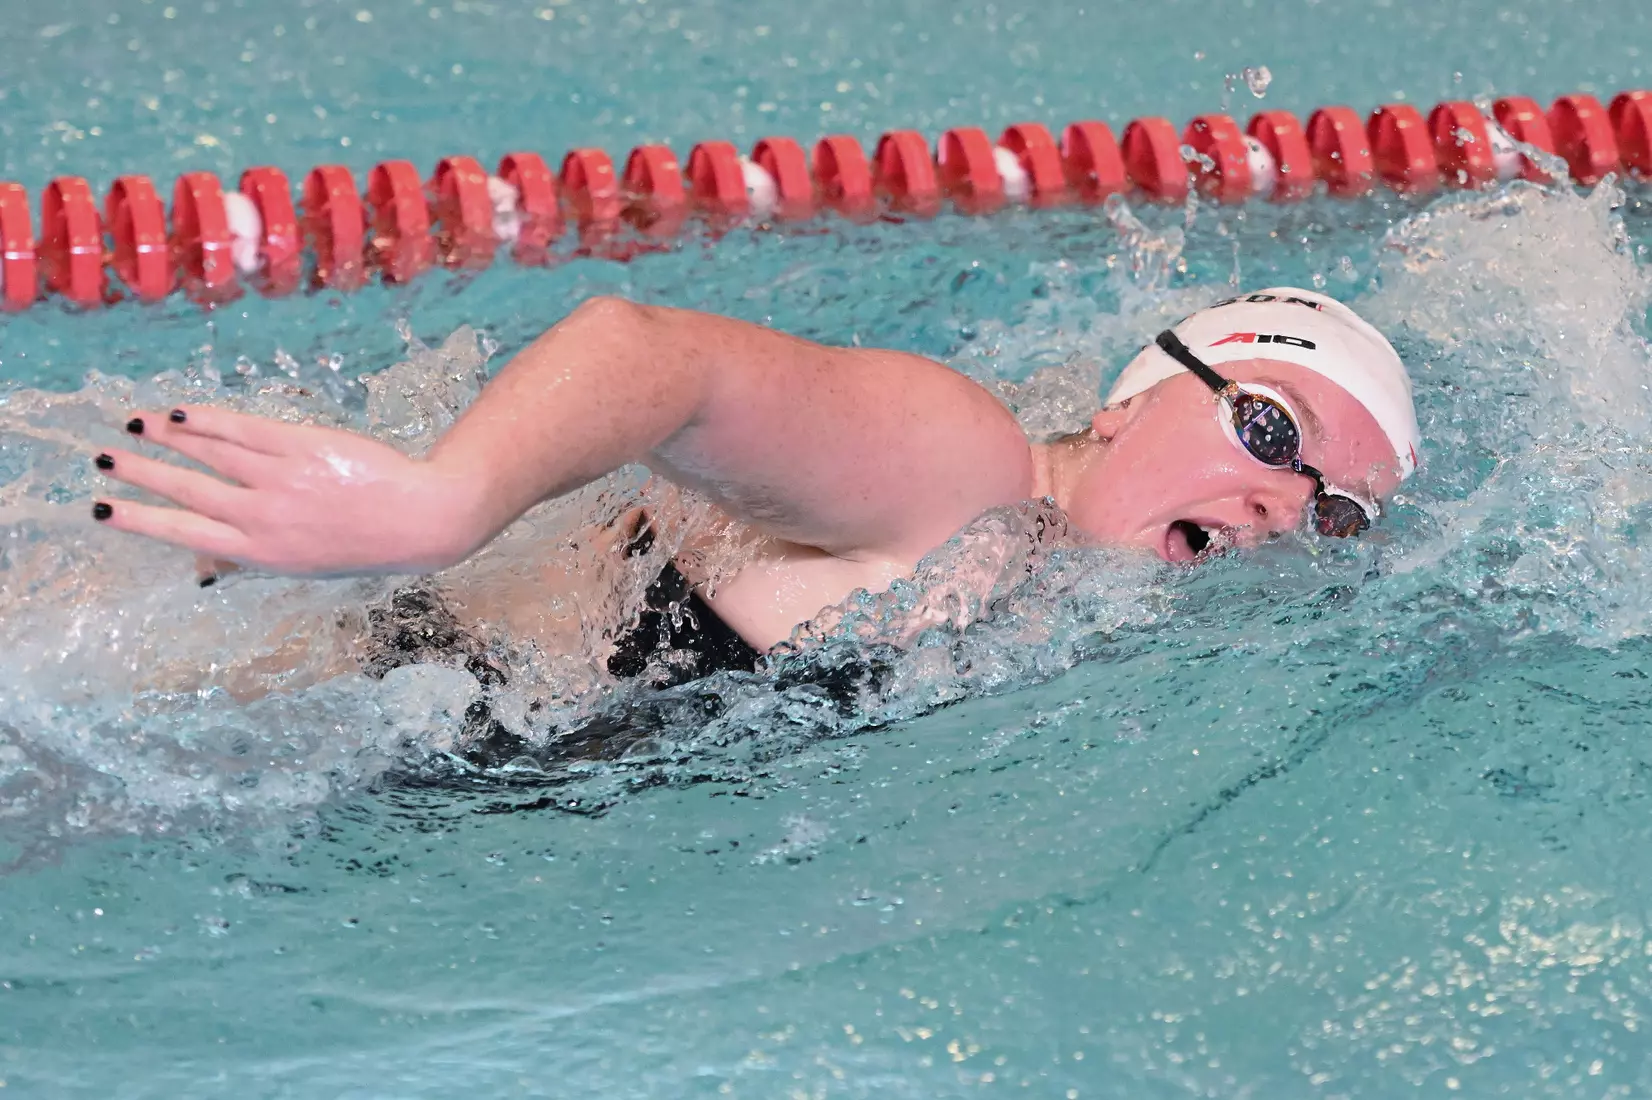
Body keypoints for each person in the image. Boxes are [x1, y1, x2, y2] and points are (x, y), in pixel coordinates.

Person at [88, 286, 1421, 688]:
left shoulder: (1036, 594)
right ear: (1133, 396)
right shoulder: (961, 470)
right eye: (1267, 429)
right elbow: (653, 355)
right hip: (244, 699)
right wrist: (440, 501)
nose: (1282, 505)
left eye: (1333, 511)